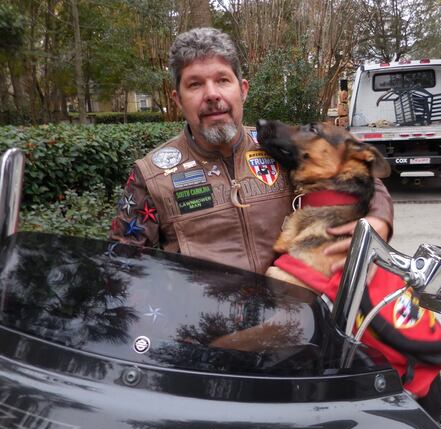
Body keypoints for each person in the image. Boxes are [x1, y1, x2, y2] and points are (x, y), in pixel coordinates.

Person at [109, 27, 393, 274]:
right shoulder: (153, 174)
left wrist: (379, 219)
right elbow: (123, 263)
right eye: (195, 84)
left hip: (297, 319)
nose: (212, 94)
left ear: (242, 90)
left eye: (222, 80)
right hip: (205, 329)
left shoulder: (277, 146)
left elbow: (357, 173)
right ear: (178, 100)